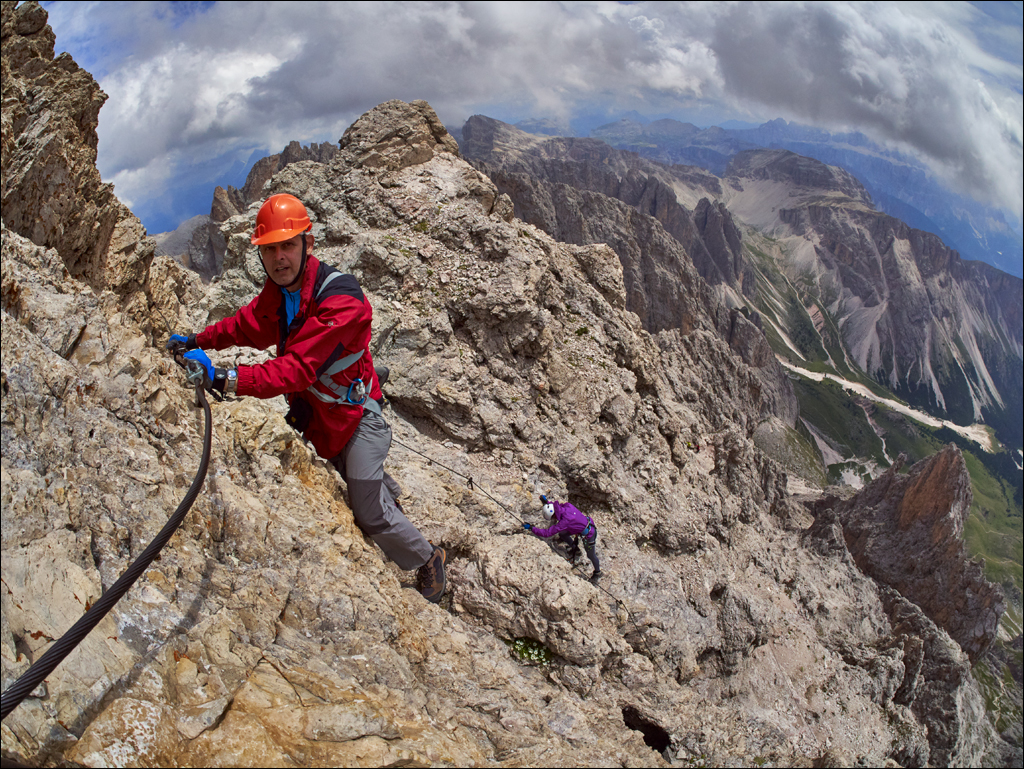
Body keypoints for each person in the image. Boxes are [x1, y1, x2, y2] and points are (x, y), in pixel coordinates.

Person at [166, 193, 447, 602]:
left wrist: (225, 378)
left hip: (355, 417)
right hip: (321, 415)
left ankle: (427, 558)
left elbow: (296, 368)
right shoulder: (280, 293)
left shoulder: (342, 299)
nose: (280, 257)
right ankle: (382, 498)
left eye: (289, 245)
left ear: (308, 245)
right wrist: (197, 339)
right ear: (260, 255)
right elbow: (246, 326)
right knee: (361, 488)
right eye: (271, 249)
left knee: (367, 512)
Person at [523, 494, 601, 581]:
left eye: (552, 518)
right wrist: (547, 503)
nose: (553, 520)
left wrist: (532, 528)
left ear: (554, 515)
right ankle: (575, 549)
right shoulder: (567, 506)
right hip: (585, 524)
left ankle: (598, 572)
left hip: (589, 534)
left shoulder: (564, 522)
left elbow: (547, 533)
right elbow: (557, 507)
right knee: (562, 534)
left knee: (591, 555)